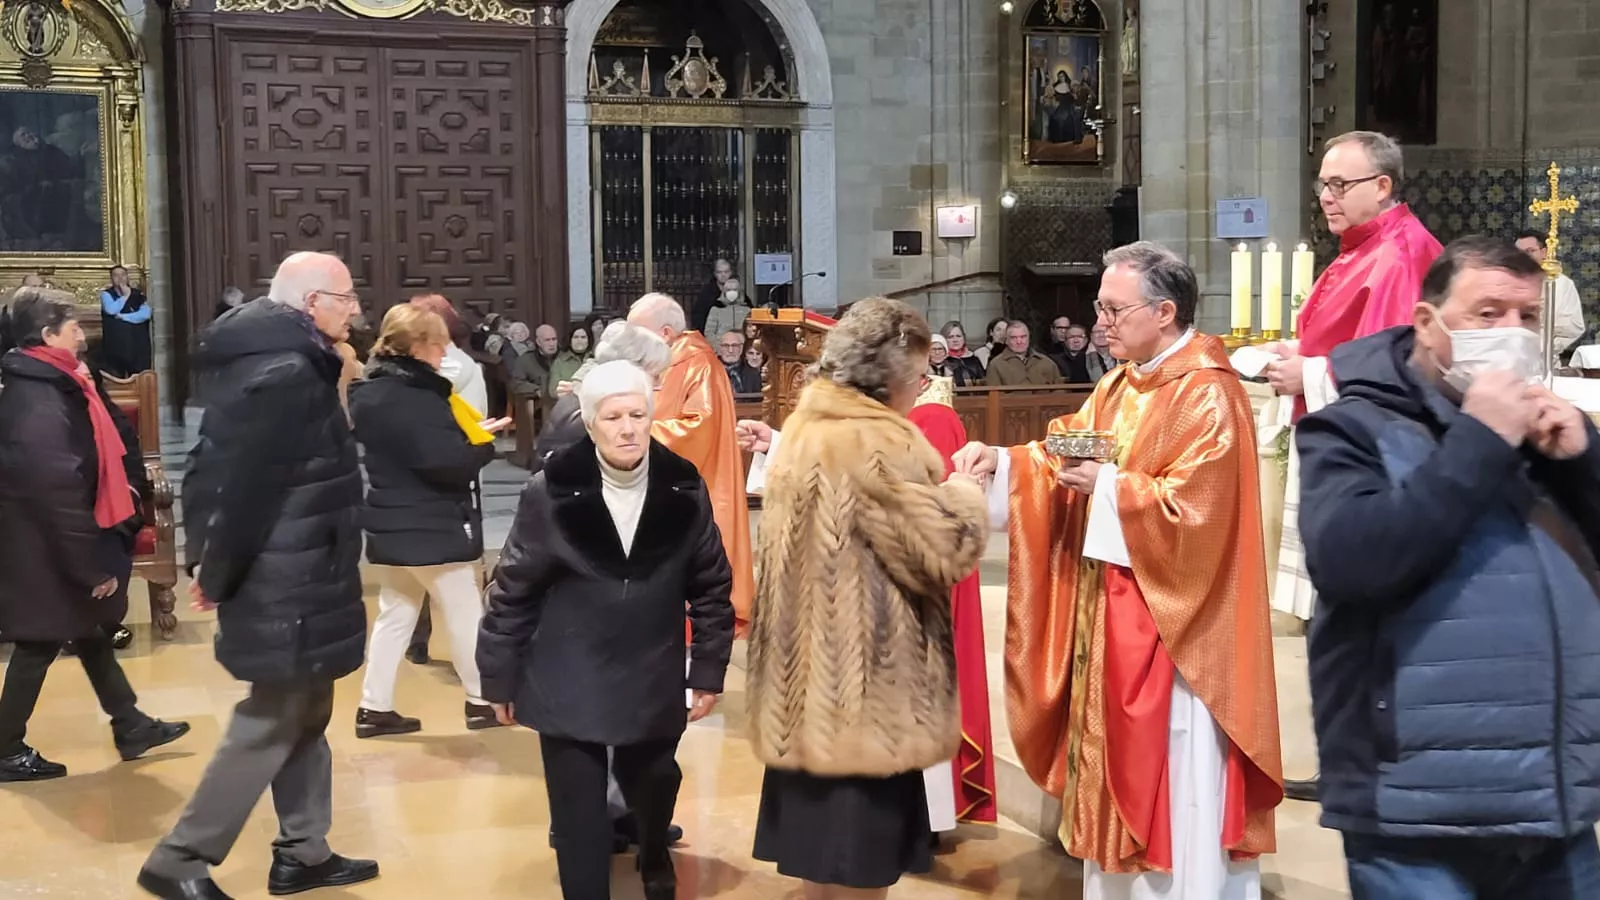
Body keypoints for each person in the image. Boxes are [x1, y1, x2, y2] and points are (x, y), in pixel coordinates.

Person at [953, 242, 1284, 897]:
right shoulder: (1118, 383)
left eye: (1113, 308)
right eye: (1099, 307)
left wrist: (1109, 489)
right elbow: (1067, 451)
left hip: (1180, 638)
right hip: (1113, 619)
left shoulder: (1208, 394)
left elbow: (1200, 514)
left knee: (1177, 782)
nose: (1101, 321)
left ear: (1164, 312)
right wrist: (1004, 459)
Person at [1296, 236, 1600, 898]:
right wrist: (1480, 440)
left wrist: (1584, 466)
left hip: (1554, 805)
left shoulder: (1552, 433)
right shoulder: (1351, 429)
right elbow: (1353, 563)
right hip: (1416, 815)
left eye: (1526, 317)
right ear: (1429, 325)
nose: (1513, 336)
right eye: (1489, 314)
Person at [139, 251, 378, 900]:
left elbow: (213, 465)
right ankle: (180, 858)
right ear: (310, 305)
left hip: (304, 568)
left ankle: (304, 850)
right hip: (285, 576)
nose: (355, 308)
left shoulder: (281, 359)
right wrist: (215, 573)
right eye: (345, 296)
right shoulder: (288, 372)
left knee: (308, 708)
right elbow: (243, 487)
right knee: (273, 715)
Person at [744, 298, 989, 897]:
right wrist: (966, 489)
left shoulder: (806, 426)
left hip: (808, 693)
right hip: (865, 701)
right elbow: (944, 549)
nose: (924, 387)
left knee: (822, 873)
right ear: (893, 376)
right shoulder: (878, 441)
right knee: (862, 875)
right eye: (920, 374)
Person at [478, 360, 734, 900]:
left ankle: (653, 848)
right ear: (590, 424)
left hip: (651, 668)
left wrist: (708, 671)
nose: (627, 428)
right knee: (576, 816)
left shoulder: (683, 487)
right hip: (568, 672)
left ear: (652, 417)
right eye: (612, 416)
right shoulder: (551, 490)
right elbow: (514, 587)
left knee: (655, 783)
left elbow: (711, 587)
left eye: (637, 414)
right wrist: (498, 676)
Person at [1261, 130, 1441, 802]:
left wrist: (1306, 371)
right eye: (1323, 184)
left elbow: (1393, 370)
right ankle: (1354, 756)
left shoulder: (1397, 254)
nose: (1327, 197)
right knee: (1341, 610)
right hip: (1344, 441)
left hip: (1375, 461)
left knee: (1364, 606)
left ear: (1383, 186)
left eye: (1341, 185)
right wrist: (1301, 356)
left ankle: (1376, 762)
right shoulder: (1364, 250)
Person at [0, 290, 189, 782]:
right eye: (73, 327)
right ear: (47, 337)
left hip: (54, 539)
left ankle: (130, 725)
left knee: (89, 630)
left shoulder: (55, 381)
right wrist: (91, 567)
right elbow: (57, 491)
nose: (83, 334)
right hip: (49, 545)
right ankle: (4, 749)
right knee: (39, 642)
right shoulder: (40, 400)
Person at [349, 304, 506, 738]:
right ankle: (482, 701)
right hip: (428, 522)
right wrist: (484, 445)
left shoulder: (373, 390)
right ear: (418, 347)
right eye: (439, 345)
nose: (444, 354)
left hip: (395, 517)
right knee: (464, 611)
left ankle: (374, 707)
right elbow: (447, 464)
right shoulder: (416, 398)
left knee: (396, 612)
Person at [627, 293, 753, 630]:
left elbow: (699, 426)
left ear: (665, 333)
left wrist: (634, 432)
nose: (631, 342)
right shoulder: (662, 361)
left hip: (692, 484)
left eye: (637, 333)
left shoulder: (698, 364)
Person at [403, 293, 487, 666]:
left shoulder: (451, 365)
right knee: (407, 582)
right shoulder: (433, 365)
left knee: (458, 581)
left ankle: (479, 675)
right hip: (430, 475)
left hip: (449, 477)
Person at [1514, 228, 1587, 356]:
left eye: (1530, 251)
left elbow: (1575, 326)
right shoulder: (1506, 281)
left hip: (1545, 357)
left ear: (1544, 252)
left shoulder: (1562, 284)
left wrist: (1538, 318)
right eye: (1518, 252)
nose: (1523, 257)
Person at [99, 265, 152, 376]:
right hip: (116, 346)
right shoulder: (106, 295)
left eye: (123, 275)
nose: (120, 278)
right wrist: (125, 296)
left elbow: (145, 314)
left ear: (127, 277)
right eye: (116, 275)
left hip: (137, 346)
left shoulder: (138, 294)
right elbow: (111, 310)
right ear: (111, 278)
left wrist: (124, 317)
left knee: (140, 377)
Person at [691, 257, 735, 334]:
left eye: (726, 272)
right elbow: (698, 317)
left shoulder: (737, 291)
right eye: (719, 272)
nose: (723, 275)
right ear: (715, 274)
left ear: (730, 273)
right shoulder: (706, 293)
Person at [549, 323, 593, 390]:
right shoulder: (559, 363)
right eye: (576, 337)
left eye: (583, 337)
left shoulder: (595, 360)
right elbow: (553, 390)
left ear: (589, 340)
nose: (579, 340)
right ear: (570, 340)